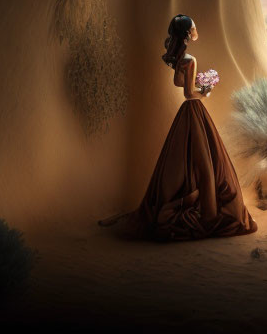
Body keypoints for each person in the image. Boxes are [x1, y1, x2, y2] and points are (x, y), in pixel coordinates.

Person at [100, 14, 256, 241]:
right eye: (194, 26)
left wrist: (198, 83)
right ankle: (209, 214)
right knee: (206, 162)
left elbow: (177, 82)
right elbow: (187, 93)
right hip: (193, 110)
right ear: (187, 34)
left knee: (190, 160)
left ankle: (198, 204)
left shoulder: (181, 58)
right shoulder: (190, 60)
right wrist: (205, 90)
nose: (196, 29)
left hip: (186, 114)